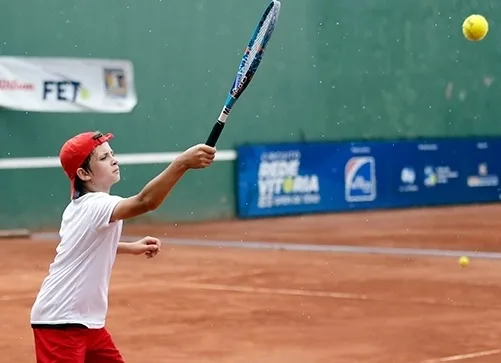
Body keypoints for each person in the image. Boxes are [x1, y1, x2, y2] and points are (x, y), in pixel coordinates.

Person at [30, 130, 216, 362]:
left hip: (87, 323)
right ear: (83, 173)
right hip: (60, 323)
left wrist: (129, 246)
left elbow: (84, 248)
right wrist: (181, 164)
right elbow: (145, 202)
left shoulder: (80, 207)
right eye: (103, 158)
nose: (114, 160)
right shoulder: (94, 206)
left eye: (112, 154)